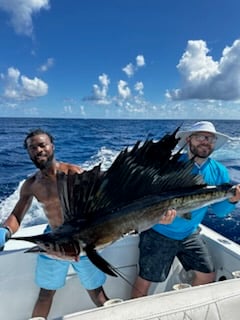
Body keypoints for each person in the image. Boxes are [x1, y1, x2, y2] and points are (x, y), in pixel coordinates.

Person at [0, 129, 109, 319]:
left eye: (42, 145)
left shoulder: (73, 173)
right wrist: (5, 231)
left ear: (52, 146)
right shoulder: (31, 184)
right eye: (32, 148)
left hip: (82, 241)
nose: (38, 150)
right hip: (54, 241)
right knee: (45, 294)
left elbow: (103, 200)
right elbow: (17, 215)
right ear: (28, 153)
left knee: (96, 291)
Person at [132, 121, 240, 298]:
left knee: (207, 276)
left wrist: (233, 200)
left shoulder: (219, 171)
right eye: (200, 137)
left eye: (210, 139)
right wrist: (157, 217)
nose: (206, 141)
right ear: (189, 139)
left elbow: (220, 212)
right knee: (145, 280)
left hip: (189, 233)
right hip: (160, 232)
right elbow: (149, 200)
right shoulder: (170, 166)